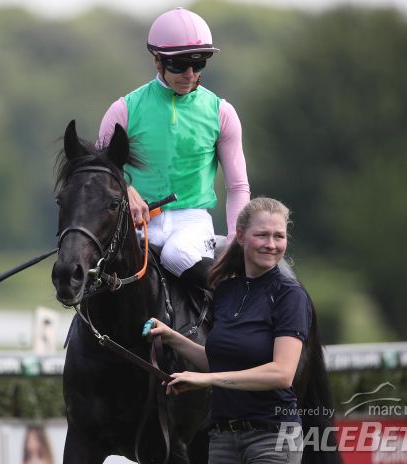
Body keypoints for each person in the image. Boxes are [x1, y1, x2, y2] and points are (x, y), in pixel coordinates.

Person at [145, 197, 339, 464]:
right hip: (223, 439)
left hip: (272, 439)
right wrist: (170, 336)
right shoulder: (225, 291)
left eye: (279, 236)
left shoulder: (290, 296)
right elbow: (219, 361)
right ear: (240, 236)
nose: (271, 244)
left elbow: (282, 374)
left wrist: (208, 380)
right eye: (262, 235)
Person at [98, 7, 250, 288]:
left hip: (192, 224)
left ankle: (234, 302)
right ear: (157, 60)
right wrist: (125, 188)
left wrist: (235, 242)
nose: (190, 74)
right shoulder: (123, 110)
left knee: (176, 254)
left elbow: (238, 187)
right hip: (135, 225)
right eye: (179, 65)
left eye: (199, 64)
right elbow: (99, 172)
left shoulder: (222, 113)